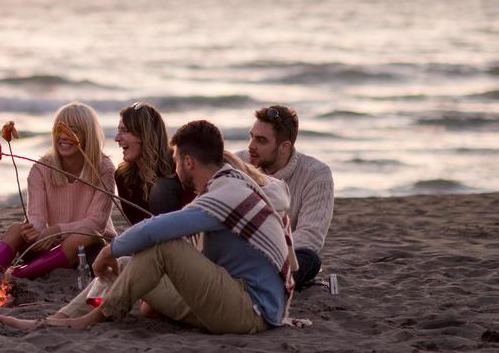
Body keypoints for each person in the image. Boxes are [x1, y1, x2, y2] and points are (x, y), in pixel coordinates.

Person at [20, 120, 294, 334]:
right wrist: (126, 261)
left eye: (176, 161)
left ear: (188, 162)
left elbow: (158, 229)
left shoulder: (228, 193)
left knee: (165, 246)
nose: (175, 169)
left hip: (253, 310)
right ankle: (58, 319)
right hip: (231, 299)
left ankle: (95, 317)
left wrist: (109, 249)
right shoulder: (225, 186)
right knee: (126, 264)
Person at [0, 102, 116, 277]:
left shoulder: (103, 169)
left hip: (90, 248)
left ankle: (19, 274)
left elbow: (97, 223)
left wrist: (58, 229)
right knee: (15, 228)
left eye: (72, 130)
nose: (63, 136)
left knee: (86, 234)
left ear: (87, 136)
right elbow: (37, 218)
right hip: (52, 249)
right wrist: (33, 230)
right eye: (59, 129)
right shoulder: (40, 169)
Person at [246, 104, 334, 290]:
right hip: (241, 253)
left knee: (310, 260)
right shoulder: (238, 165)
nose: (251, 146)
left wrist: (269, 253)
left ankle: (259, 284)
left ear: (284, 147)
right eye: (251, 136)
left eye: (261, 140)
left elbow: (311, 235)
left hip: (284, 258)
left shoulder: (316, 174)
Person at [113, 101, 184, 222]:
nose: (117, 138)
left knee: (161, 188)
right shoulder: (123, 176)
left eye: (124, 131)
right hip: (147, 239)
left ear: (145, 135)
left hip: (179, 236)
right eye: (118, 131)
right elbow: (136, 225)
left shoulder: (178, 167)